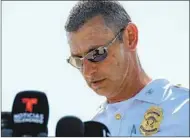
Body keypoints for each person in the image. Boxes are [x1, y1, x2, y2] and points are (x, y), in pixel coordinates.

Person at [64, 1, 189, 136]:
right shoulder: (91, 130)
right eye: (78, 61)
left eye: (97, 53)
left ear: (130, 37)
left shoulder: (183, 109)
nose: (87, 72)